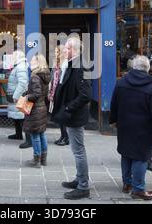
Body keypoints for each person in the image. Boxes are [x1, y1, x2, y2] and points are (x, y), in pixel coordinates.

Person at [110, 55, 152, 201]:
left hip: (124, 126)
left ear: (133, 67)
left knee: (126, 154)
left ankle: (127, 184)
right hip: (144, 129)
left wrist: (113, 121)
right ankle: (138, 189)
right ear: (148, 68)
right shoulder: (151, 86)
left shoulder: (121, 82)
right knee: (141, 157)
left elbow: (114, 104)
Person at [52, 37, 92, 200]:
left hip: (74, 115)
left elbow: (85, 95)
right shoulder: (72, 64)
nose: (64, 51)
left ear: (73, 49)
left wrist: (68, 108)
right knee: (77, 150)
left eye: (66, 48)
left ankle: (83, 186)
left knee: (78, 151)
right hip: (70, 114)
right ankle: (79, 178)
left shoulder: (81, 67)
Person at [23, 54, 51, 168]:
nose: (30, 62)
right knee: (41, 133)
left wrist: (26, 97)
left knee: (35, 134)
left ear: (38, 62)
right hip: (42, 107)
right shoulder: (45, 75)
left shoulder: (35, 76)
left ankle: (36, 159)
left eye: (32, 60)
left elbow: (36, 94)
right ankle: (43, 159)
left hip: (35, 109)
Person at [6, 50, 29, 146]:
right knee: (17, 116)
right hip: (16, 95)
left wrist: (16, 96)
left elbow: (22, 83)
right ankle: (18, 134)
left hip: (19, 96)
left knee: (23, 117)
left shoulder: (20, 67)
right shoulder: (18, 66)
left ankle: (29, 139)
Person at [48, 45, 69, 146]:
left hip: (62, 93)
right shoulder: (55, 64)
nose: (55, 54)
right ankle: (62, 136)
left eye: (57, 52)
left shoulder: (65, 64)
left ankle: (66, 138)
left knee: (62, 116)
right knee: (59, 116)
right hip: (55, 92)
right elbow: (53, 79)